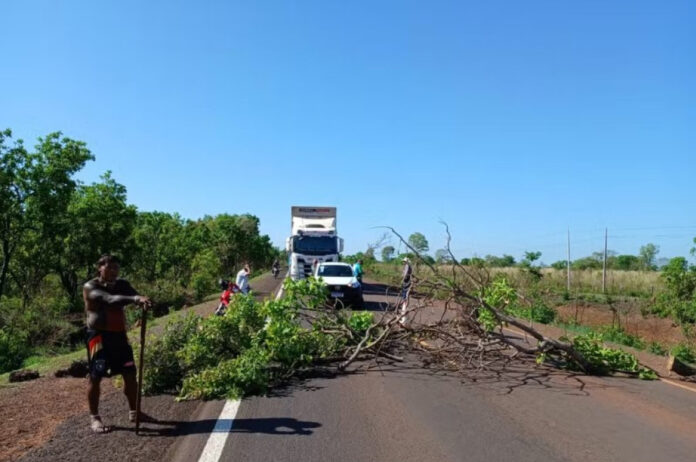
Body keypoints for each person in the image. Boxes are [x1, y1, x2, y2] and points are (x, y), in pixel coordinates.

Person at [83, 254, 153, 434]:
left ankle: (134, 412)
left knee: (130, 373)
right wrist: (135, 300)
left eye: (116, 268)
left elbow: (135, 295)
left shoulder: (122, 284)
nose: (113, 271)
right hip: (98, 338)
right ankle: (95, 418)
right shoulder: (91, 286)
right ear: (100, 268)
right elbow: (110, 300)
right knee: (96, 375)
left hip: (119, 337)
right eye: (109, 268)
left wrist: (143, 301)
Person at [399, 257, 413, 325]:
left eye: (404, 261)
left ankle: (404, 319)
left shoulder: (407, 266)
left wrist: (402, 279)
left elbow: (406, 275)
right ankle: (404, 319)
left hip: (406, 283)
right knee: (405, 300)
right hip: (407, 283)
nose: (403, 262)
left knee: (405, 300)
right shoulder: (407, 266)